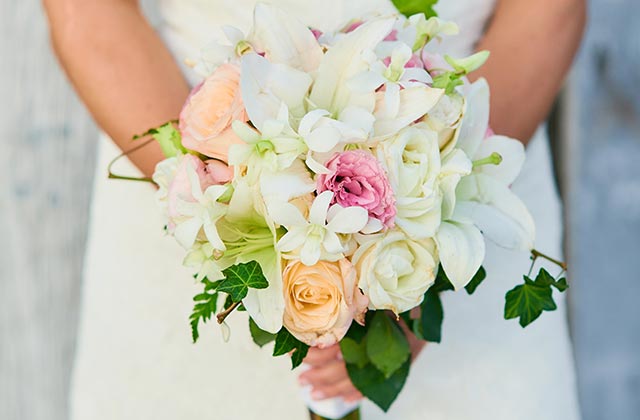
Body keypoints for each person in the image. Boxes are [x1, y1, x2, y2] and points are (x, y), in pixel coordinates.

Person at [43, 0, 586, 418]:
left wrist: (429, 225)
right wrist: (232, 198)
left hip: (463, 174)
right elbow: (88, 13)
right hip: (184, 189)